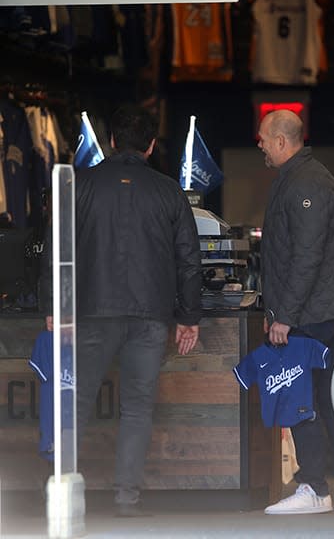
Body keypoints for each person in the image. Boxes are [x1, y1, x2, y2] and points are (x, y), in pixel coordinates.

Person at [43, 104, 202, 517]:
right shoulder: (169, 191)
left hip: (91, 312)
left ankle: (66, 495)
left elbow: (55, 249)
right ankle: (126, 498)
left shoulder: (79, 184)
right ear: (151, 145)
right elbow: (189, 259)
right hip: (151, 315)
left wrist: (53, 306)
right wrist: (189, 317)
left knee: (76, 403)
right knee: (137, 407)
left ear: (112, 141)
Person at [257, 109, 334, 515]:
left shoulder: (306, 183)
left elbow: (306, 256)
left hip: (311, 313)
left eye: (265, 139)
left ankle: (316, 488)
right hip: (320, 309)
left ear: (282, 142)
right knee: (326, 397)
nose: (261, 145)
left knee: (298, 395)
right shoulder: (303, 178)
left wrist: (285, 314)